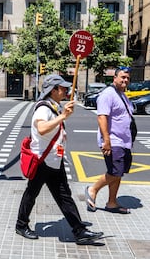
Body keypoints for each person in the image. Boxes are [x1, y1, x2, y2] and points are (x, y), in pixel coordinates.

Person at [15, 74, 104, 245]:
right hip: (42, 161)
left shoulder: (54, 106)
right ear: (53, 90)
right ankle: (21, 225)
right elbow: (41, 128)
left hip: (54, 160)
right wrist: (63, 116)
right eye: (63, 88)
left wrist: (63, 114)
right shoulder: (43, 108)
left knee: (64, 196)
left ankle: (79, 231)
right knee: (31, 193)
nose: (66, 90)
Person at [85, 67, 133, 214]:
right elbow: (102, 117)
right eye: (122, 77)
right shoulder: (108, 94)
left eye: (127, 78)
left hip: (124, 141)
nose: (125, 80)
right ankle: (93, 189)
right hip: (113, 141)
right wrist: (106, 140)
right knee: (115, 171)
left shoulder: (122, 95)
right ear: (115, 78)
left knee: (119, 173)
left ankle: (112, 202)